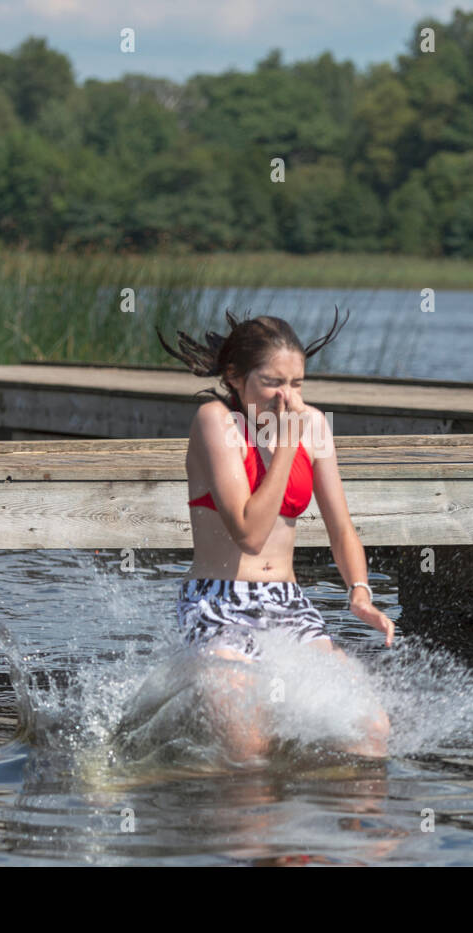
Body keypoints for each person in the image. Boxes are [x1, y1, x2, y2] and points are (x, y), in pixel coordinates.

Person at [157, 310, 393, 762]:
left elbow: (341, 525)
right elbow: (249, 532)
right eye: (272, 383)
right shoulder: (215, 423)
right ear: (235, 377)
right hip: (219, 602)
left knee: (369, 732)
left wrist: (359, 592)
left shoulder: (316, 426)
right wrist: (286, 443)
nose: (287, 397)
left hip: (286, 602)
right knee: (249, 746)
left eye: (297, 384)